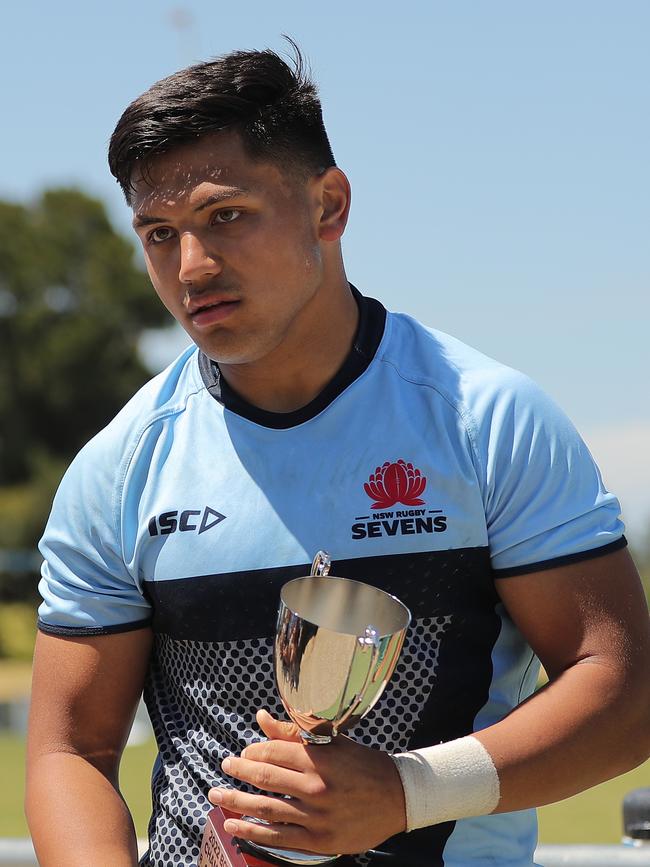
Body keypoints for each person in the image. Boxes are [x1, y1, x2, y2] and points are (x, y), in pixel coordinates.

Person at [26, 44, 650, 867]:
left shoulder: (485, 419)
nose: (193, 267)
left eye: (227, 216)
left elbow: (625, 688)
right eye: (159, 234)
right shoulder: (119, 465)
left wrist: (406, 793)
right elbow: (68, 750)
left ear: (329, 204)